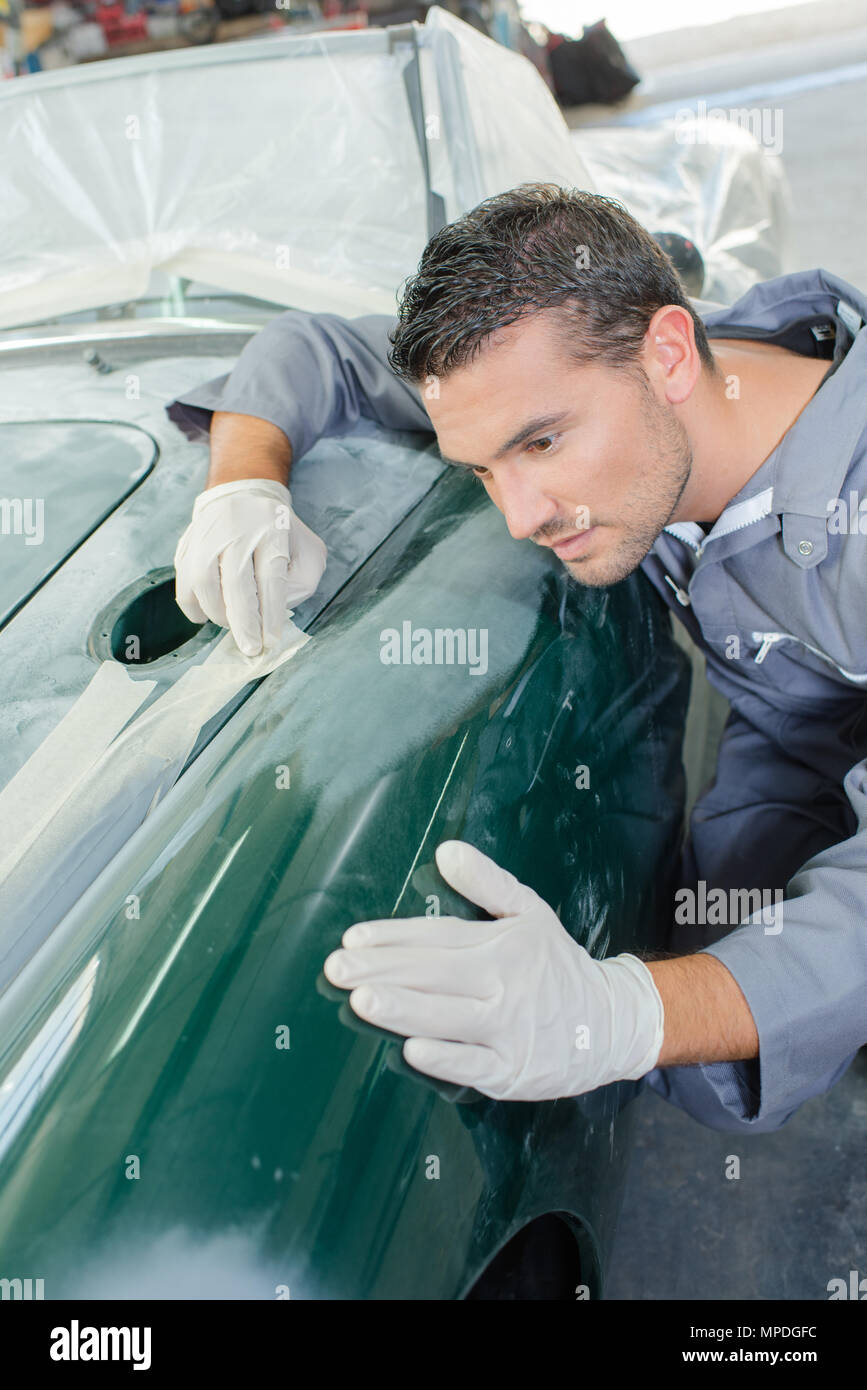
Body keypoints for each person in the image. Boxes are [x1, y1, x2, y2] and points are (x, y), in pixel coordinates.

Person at [168, 183, 867, 1133]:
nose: (520, 516)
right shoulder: (579, 361)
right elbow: (318, 349)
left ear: (667, 353)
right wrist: (243, 485)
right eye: (484, 468)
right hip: (798, 728)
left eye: (541, 443)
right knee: (715, 1043)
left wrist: (628, 1015)